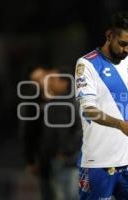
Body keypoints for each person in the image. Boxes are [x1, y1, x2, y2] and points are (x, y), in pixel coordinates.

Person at [75, 11, 128, 199]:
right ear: (109, 35)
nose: (127, 49)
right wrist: (120, 125)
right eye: (123, 43)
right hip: (98, 162)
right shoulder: (87, 64)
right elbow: (88, 110)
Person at [21, 65, 81, 200]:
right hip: (46, 161)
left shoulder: (70, 100)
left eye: (47, 79)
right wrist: (30, 159)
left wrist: (66, 152)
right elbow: (29, 133)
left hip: (66, 161)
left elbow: (79, 130)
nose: (44, 82)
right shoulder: (35, 104)